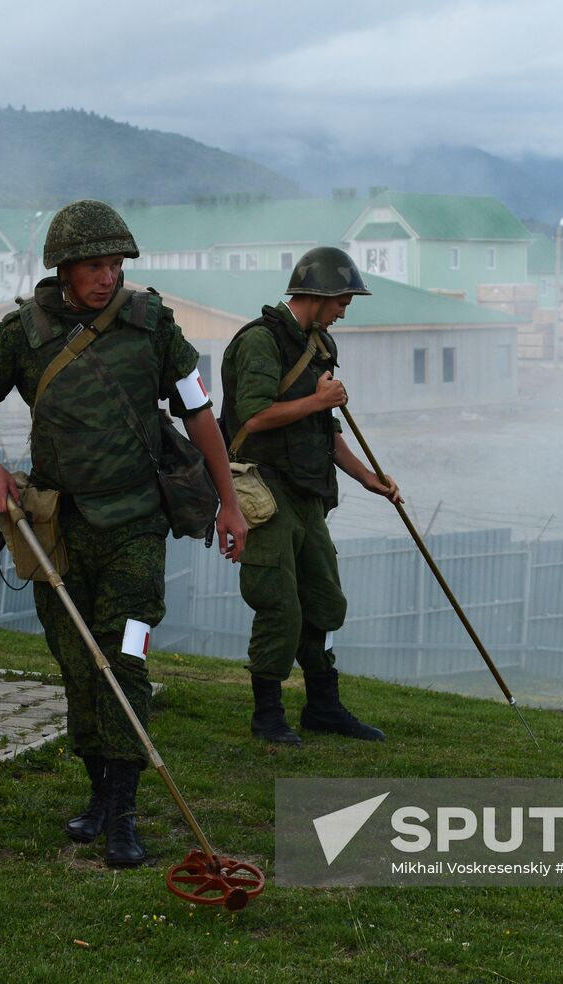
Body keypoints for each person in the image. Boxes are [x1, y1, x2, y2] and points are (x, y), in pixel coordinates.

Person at [0, 200, 247, 867]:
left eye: (115, 265)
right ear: (64, 267)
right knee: (77, 664)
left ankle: (124, 813)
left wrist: (229, 503)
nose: (107, 277)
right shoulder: (22, 334)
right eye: (94, 266)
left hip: (136, 531)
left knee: (128, 655)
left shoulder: (152, 326)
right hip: (57, 533)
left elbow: (200, 416)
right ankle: (96, 795)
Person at [220, 246, 401, 745]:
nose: (345, 309)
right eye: (342, 299)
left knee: (324, 603)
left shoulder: (319, 344)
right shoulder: (260, 343)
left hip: (308, 493)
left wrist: (369, 479)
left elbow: (324, 428)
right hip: (265, 489)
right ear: (317, 295)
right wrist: (318, 398)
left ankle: (322, 706)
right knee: (279, 607)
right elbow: (252, 416)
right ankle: (268, 715)